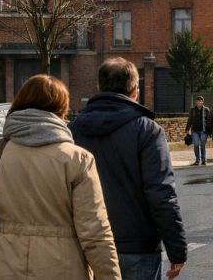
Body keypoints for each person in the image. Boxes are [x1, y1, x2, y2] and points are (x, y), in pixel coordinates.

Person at [0, 74, 121, 279]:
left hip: (1, 265)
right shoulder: (77, 159)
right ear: (61, 109)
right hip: (61, 267)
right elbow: (94, 231)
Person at [71, 58, 187, 280]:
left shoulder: (74, 129)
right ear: (134, 90)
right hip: (137, 247)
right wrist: (177, 249)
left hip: (88, 244)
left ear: (99, 87)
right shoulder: (148, 131)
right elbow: (161, 193)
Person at [184, 95, 209, 166]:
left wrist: (209, 130)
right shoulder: (192, 110)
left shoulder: (206, 110)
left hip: (203, 131)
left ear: (203, 102)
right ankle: (197, 160)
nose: (199, 102)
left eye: (201, 101)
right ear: (196, 102)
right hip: (195, 131)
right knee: (196, 145)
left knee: (202, 145)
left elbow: (209, 120)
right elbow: (190, 120)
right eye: (198, 101)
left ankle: (204, 161)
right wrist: (187, 129)